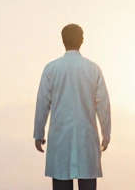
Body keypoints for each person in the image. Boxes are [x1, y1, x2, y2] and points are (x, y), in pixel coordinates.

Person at [33, 24, 112, 190]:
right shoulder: (93, 69)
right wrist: (106, 135)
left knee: (61, 181)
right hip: (87, 139)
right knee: (88, 182)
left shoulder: (51, 69)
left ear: (62, 40)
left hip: (60, 140)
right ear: (82, 40)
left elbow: (42, 103)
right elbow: (103, 105)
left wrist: (38, 134)